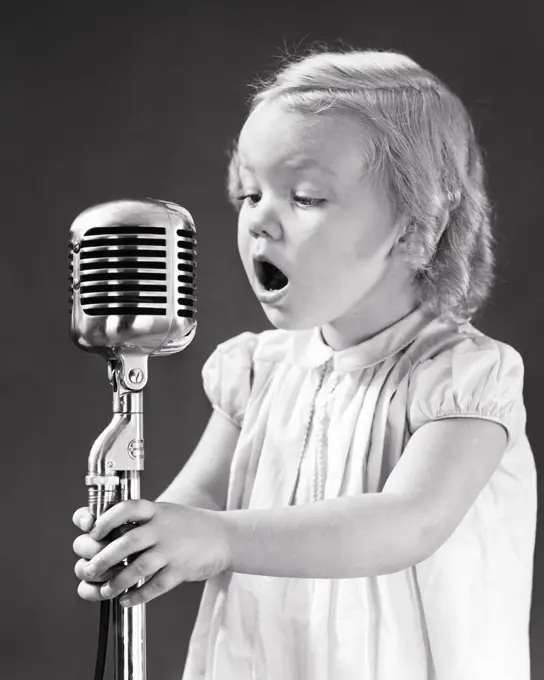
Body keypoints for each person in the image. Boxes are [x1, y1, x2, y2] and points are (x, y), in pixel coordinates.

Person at [72, 48, 537, 679]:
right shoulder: (259, 372)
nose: (260, 219)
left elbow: (410, 523)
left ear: (416, 227)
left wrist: (221, 538)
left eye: (307, 197)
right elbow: (204, 498)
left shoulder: (460, 380)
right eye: (249, 193)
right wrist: (147, 537)